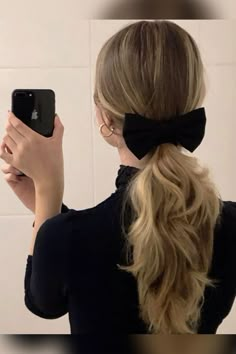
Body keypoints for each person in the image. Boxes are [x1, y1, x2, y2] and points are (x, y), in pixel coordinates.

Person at [0, 20, 235, 334]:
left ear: (104, 117)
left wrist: (47, 191)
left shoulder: (69, 238)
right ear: (193, 104)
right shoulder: (231, 225)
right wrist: (47, 204)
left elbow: (43, 302)